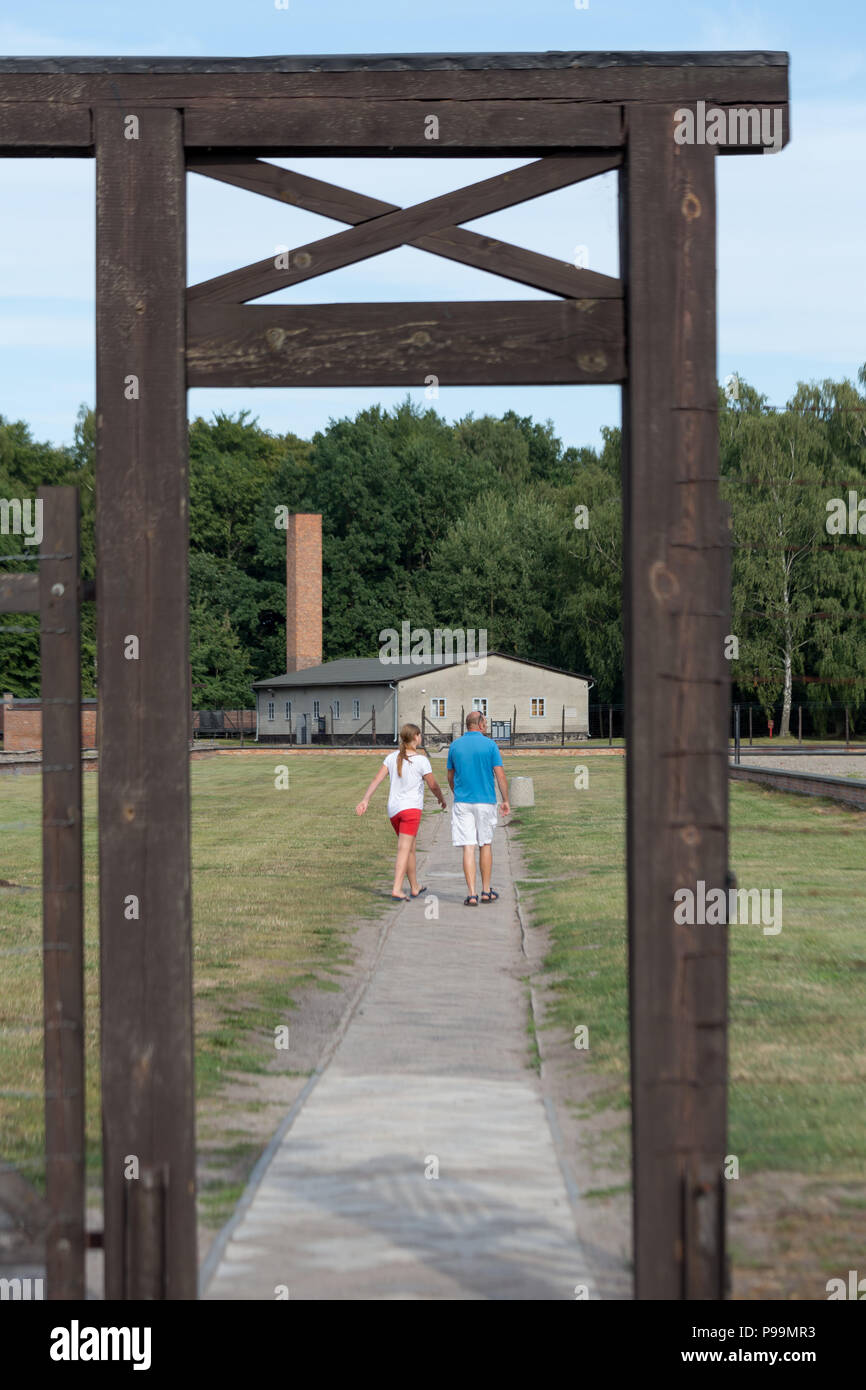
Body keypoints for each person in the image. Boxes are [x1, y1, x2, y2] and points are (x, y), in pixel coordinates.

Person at [355, 722, 446, 901]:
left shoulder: (391, 757)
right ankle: (396, 888)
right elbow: (433, 785)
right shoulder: (421, 760)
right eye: (419, 735)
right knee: (404, 848)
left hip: (394, 811)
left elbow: (376, 779)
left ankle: (414, 887)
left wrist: (366, 799)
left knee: (410, 848)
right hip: (411, 810)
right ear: (415, 737)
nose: (420, 738)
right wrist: (441, 798)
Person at [446, 710, 510, 906]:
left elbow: (450, 775)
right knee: (486, 844)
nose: (487, 725)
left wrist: (456, 793)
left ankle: (472, 893)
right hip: (485, 800)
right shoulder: (490, 745)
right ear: (480, 724)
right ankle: (485, 890)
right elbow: (500, 775)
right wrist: (506, 799)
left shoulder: (455, 746)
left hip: (463, 801)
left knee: (468, 846)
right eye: (485, 722)